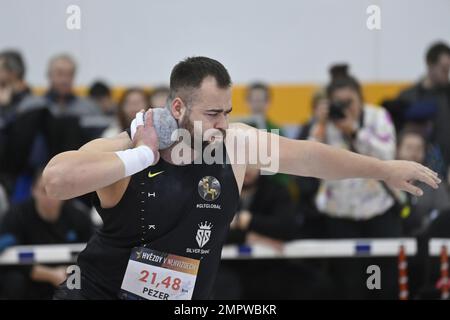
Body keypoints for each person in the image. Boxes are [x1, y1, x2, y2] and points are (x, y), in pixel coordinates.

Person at [43, 56, 440, 300]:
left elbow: (311, 158)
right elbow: (56, 180)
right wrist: (142, 155)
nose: (224, 123)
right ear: (178, 107)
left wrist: (385, 169)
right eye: (213, 113)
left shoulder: (234, 147)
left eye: (228, 111)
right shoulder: (127, 146)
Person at [0, 170, 93, 299]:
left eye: (55, 191)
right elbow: (8, 256)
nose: (50, 196)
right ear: (33, 190)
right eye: (44, 190)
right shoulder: (16, 215)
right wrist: (50, 274)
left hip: (70, 273)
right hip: (31, 277)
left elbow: (92, 255)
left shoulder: (79, 217)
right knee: (14, 280)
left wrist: (68, 272)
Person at [397, 42, 450, 184]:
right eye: (444, 69)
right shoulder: (407, 97)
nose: (448, 74)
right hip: (413, 170)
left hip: (445, 171)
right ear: (429, 64)